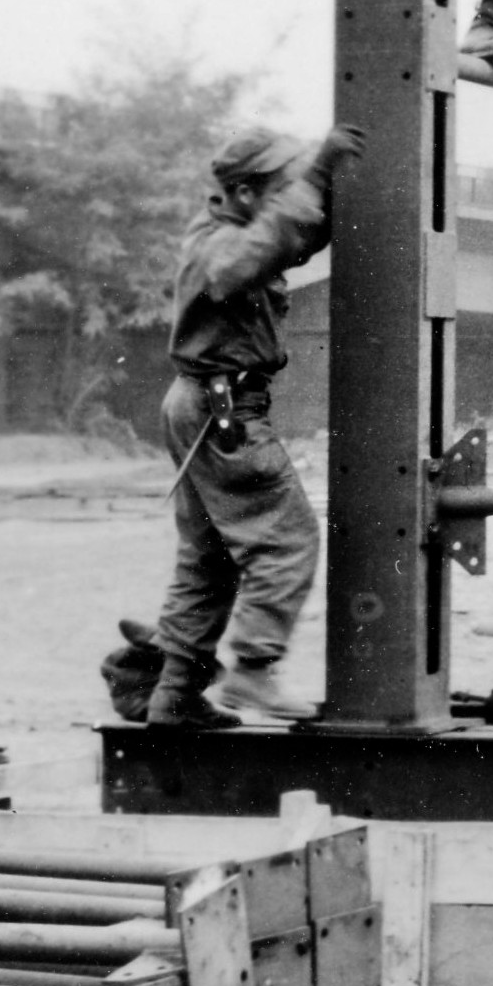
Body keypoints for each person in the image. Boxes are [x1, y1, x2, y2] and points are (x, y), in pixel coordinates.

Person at [145, 121, 364, 728]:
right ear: (245, 193)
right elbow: (244, 261)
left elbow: (287, 239)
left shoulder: (239, 227)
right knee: (287, 540)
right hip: (222, 413)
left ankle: (174, 694)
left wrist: (322, 187)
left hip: (203, 405)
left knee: (210, 555)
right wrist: (315, 178)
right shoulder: (220, 244)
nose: (293, 194)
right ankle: (254, 669)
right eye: (282, 186)